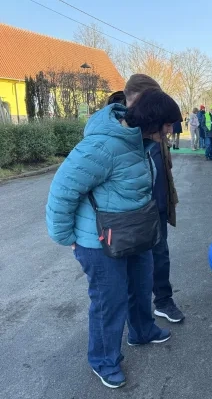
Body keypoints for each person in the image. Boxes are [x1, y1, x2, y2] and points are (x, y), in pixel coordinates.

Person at [46, 93, 170, 389]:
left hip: (134, 233)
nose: (169, 131)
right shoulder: (102, 146)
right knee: (109, 301)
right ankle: (103, 360)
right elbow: (62, 191)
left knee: (141, 285)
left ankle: (142, 330)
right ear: (150, 122)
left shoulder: (142, 143)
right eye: (166, 125)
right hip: (99, 242)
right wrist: (67, 238)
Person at [123, 75, 185, 322]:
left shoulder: (156, 125)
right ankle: (137, 317)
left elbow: (164, 167)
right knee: (135, 262)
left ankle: (163, 301)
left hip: (157, 204)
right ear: (137, 98)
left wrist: (168, 200)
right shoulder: (123, 128)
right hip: (134, 210)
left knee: (160, 255)